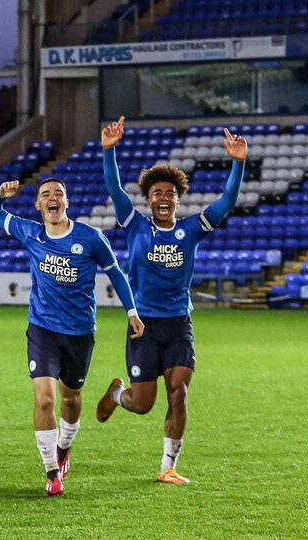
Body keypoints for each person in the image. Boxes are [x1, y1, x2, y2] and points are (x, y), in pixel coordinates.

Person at [97, 117, 247, 484]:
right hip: (142, 325)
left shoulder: (192, 228)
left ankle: (168, 467)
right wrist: (109, 150)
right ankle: (117, 394)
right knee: (143, 403)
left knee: (178, 393)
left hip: (179, 324)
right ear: (148, 199)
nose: (164, 198)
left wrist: (238, 162)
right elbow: (115, 189)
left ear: (178, 199)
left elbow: (227, 201)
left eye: (170, 194)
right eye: (157, 193)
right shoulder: (134, 224)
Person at [0, 177, 144, 496]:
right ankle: (51, 471)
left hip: (79, 332)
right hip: (42, 329)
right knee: (44, 398)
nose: (53, 198)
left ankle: (64, 446)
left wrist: (132, 311)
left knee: (70, 398)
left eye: (59, 193)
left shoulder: (91, 238)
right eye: (45, 194)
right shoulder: (30, 231)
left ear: (66, 202)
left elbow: (116, 274)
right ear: (38, 205)